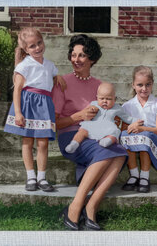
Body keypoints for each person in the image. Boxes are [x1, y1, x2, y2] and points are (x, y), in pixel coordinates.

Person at [52, 34, 130, 231]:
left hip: (99, 136)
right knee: (107, 152)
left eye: (82, 56)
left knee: (120, 154)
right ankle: (76, 206)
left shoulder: (100, 87)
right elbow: (56, 124)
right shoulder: (62, 82)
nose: (76, 60)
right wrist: (79, 116)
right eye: (73, 54)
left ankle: (91, 206)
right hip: (72, 136)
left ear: (92, 59)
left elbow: (115, 115)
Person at [4, 27, 65, 192]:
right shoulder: (24, 65)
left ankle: (42, 177)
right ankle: (31, 176)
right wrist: (18, 112)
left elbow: (52, 78)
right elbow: (17, 89)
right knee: (27, 141)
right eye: (32, 46)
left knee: (43, 142)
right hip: (28, 103)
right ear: (25, 49)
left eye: (39, 43)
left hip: (45, 105)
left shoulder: (50, 65)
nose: (37, 48)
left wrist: (57, 77)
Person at [120, 65, 157, 193]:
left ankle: (145, 177)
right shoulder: (127, 106)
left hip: (153, 136)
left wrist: (142, 128)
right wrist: (131, 127)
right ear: (133, 85)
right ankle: (134, 174)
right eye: (140, 85)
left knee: (146, 139)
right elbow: (124, 129)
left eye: (148, 85)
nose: (144, 89)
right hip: (136, 136)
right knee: (124, 137)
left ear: (152, 84)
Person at [65, 82, 142, 153]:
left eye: (108, 99)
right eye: (102, 98)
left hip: (107, 128)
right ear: (97, 97)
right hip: (93, 126)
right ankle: (74, 144)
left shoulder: (117, 108)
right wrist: (91, 109)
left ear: (114, 99)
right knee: (82, 131)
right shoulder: (94, 104)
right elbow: (87, 112)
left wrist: (137, 121)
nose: (105, 101)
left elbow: (127, 118)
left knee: (115, 132)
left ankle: (107, 141)